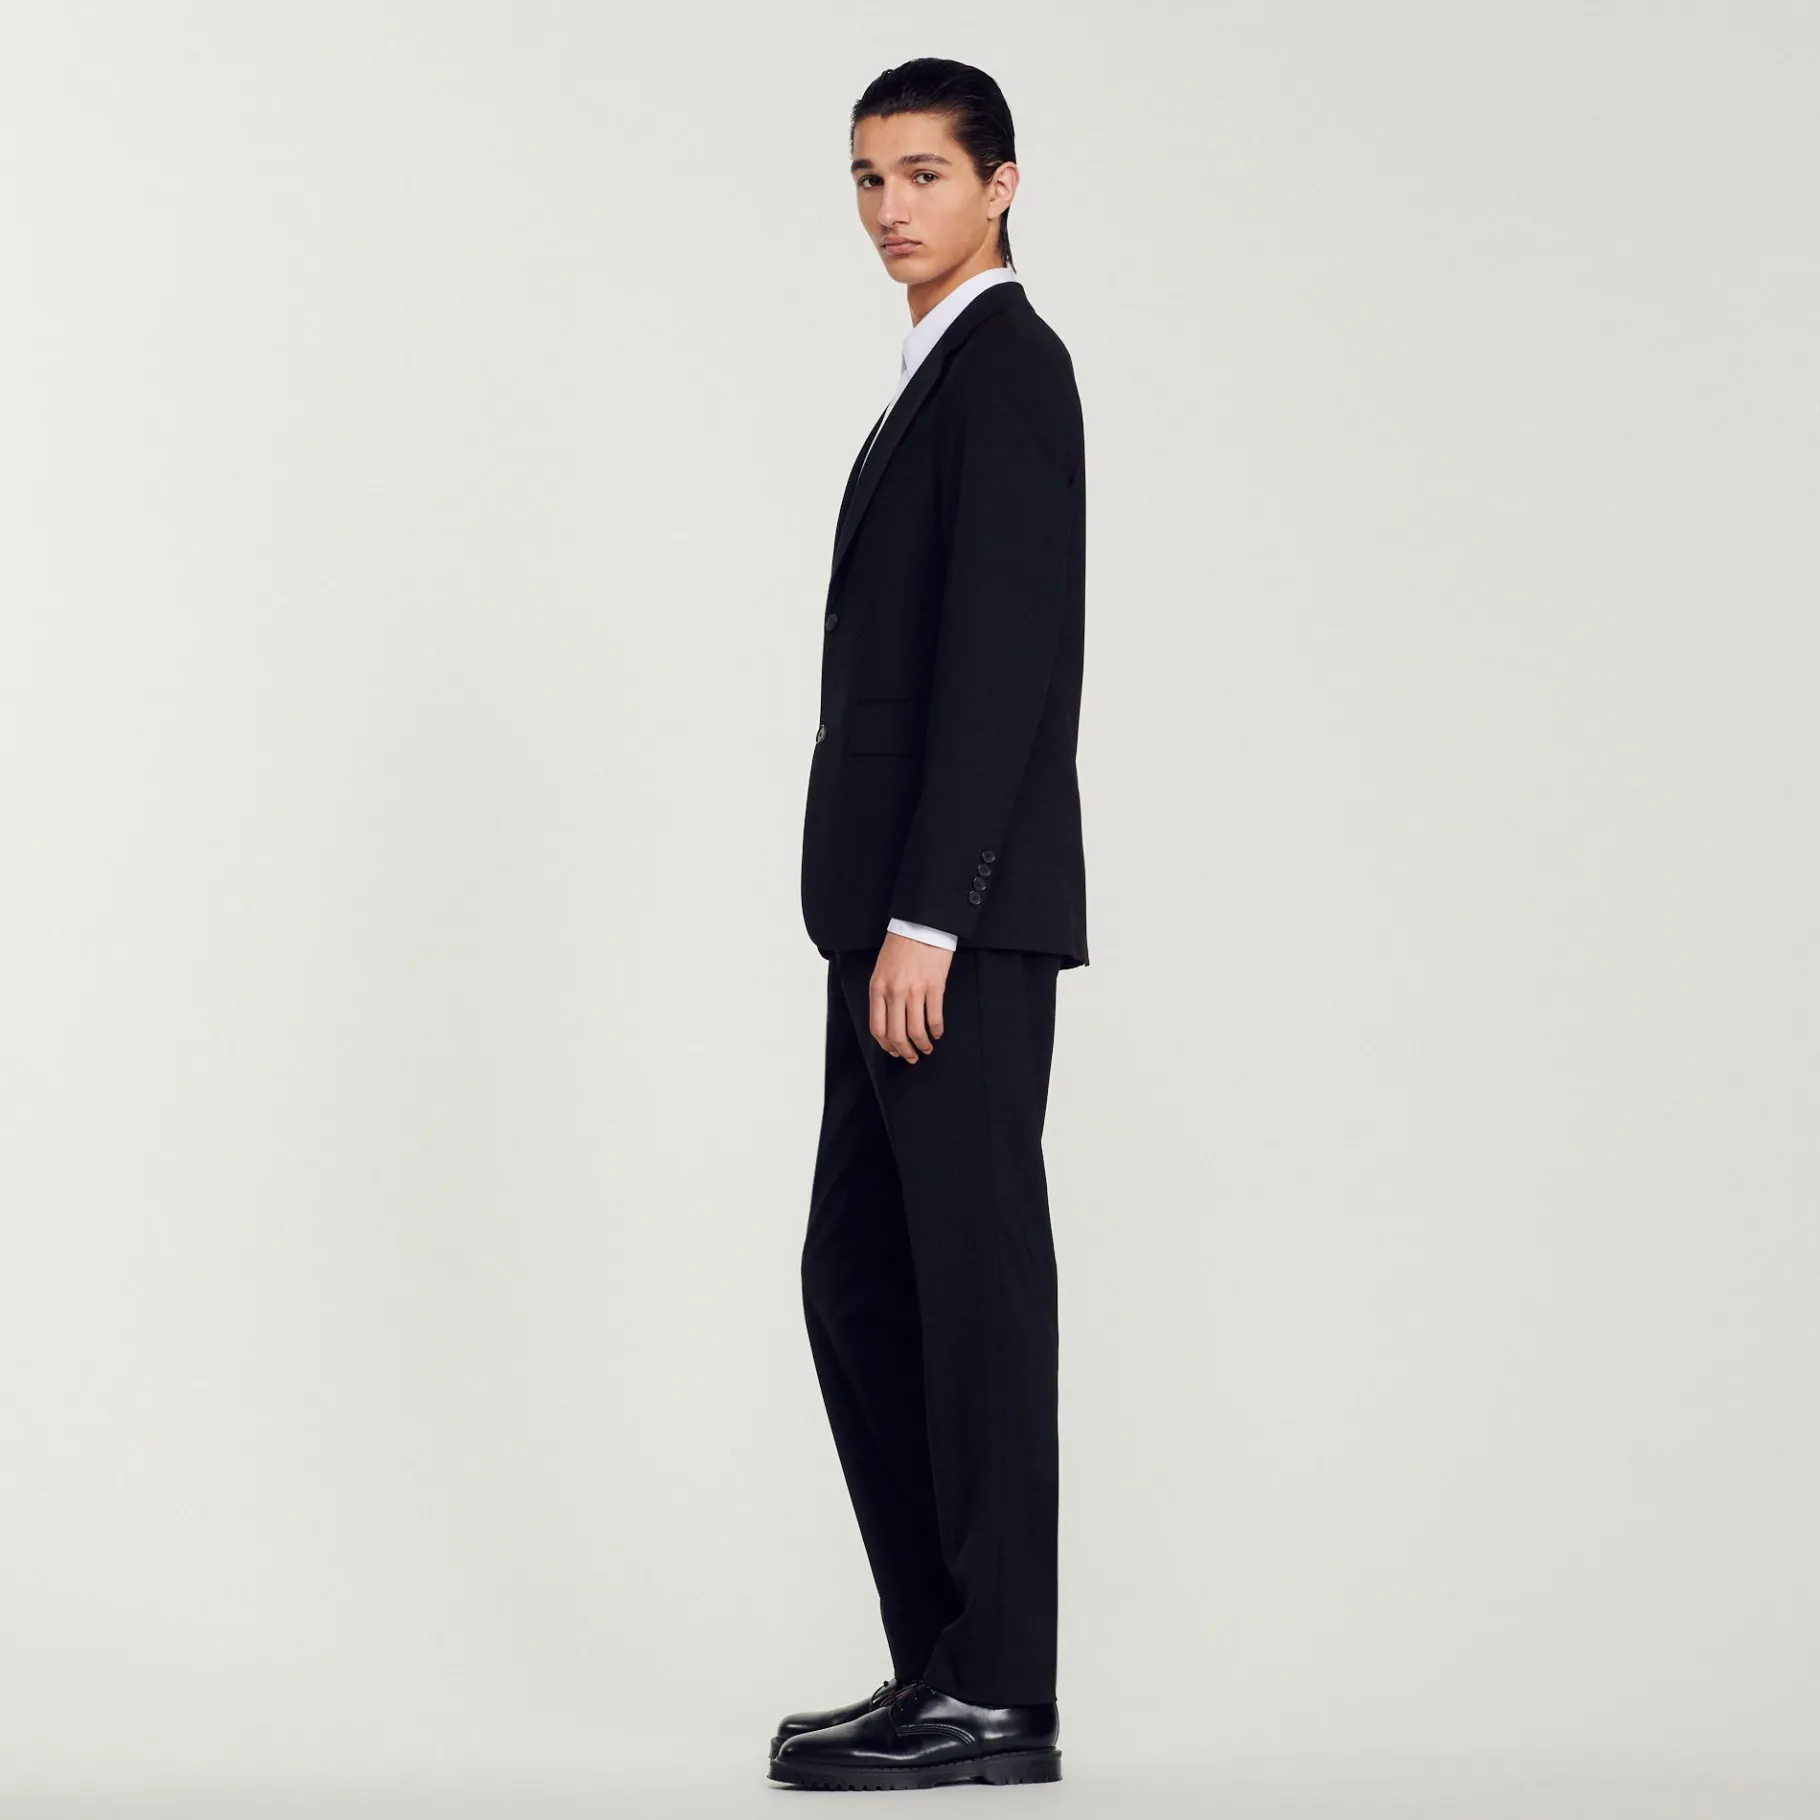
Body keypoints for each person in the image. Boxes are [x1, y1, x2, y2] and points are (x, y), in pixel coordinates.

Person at [773, 56, 1089, 1794]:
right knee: (859, 1281)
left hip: (943, 930)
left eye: (924, 174)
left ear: (1001, 185)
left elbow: (1002, 669)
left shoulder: (1010, 371)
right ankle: (941, 1663)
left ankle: (1001, 1693)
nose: (891, 207)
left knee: (972, 1295)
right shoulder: (933, 378)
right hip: (889, 927)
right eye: (868, 178)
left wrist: (930, 919)